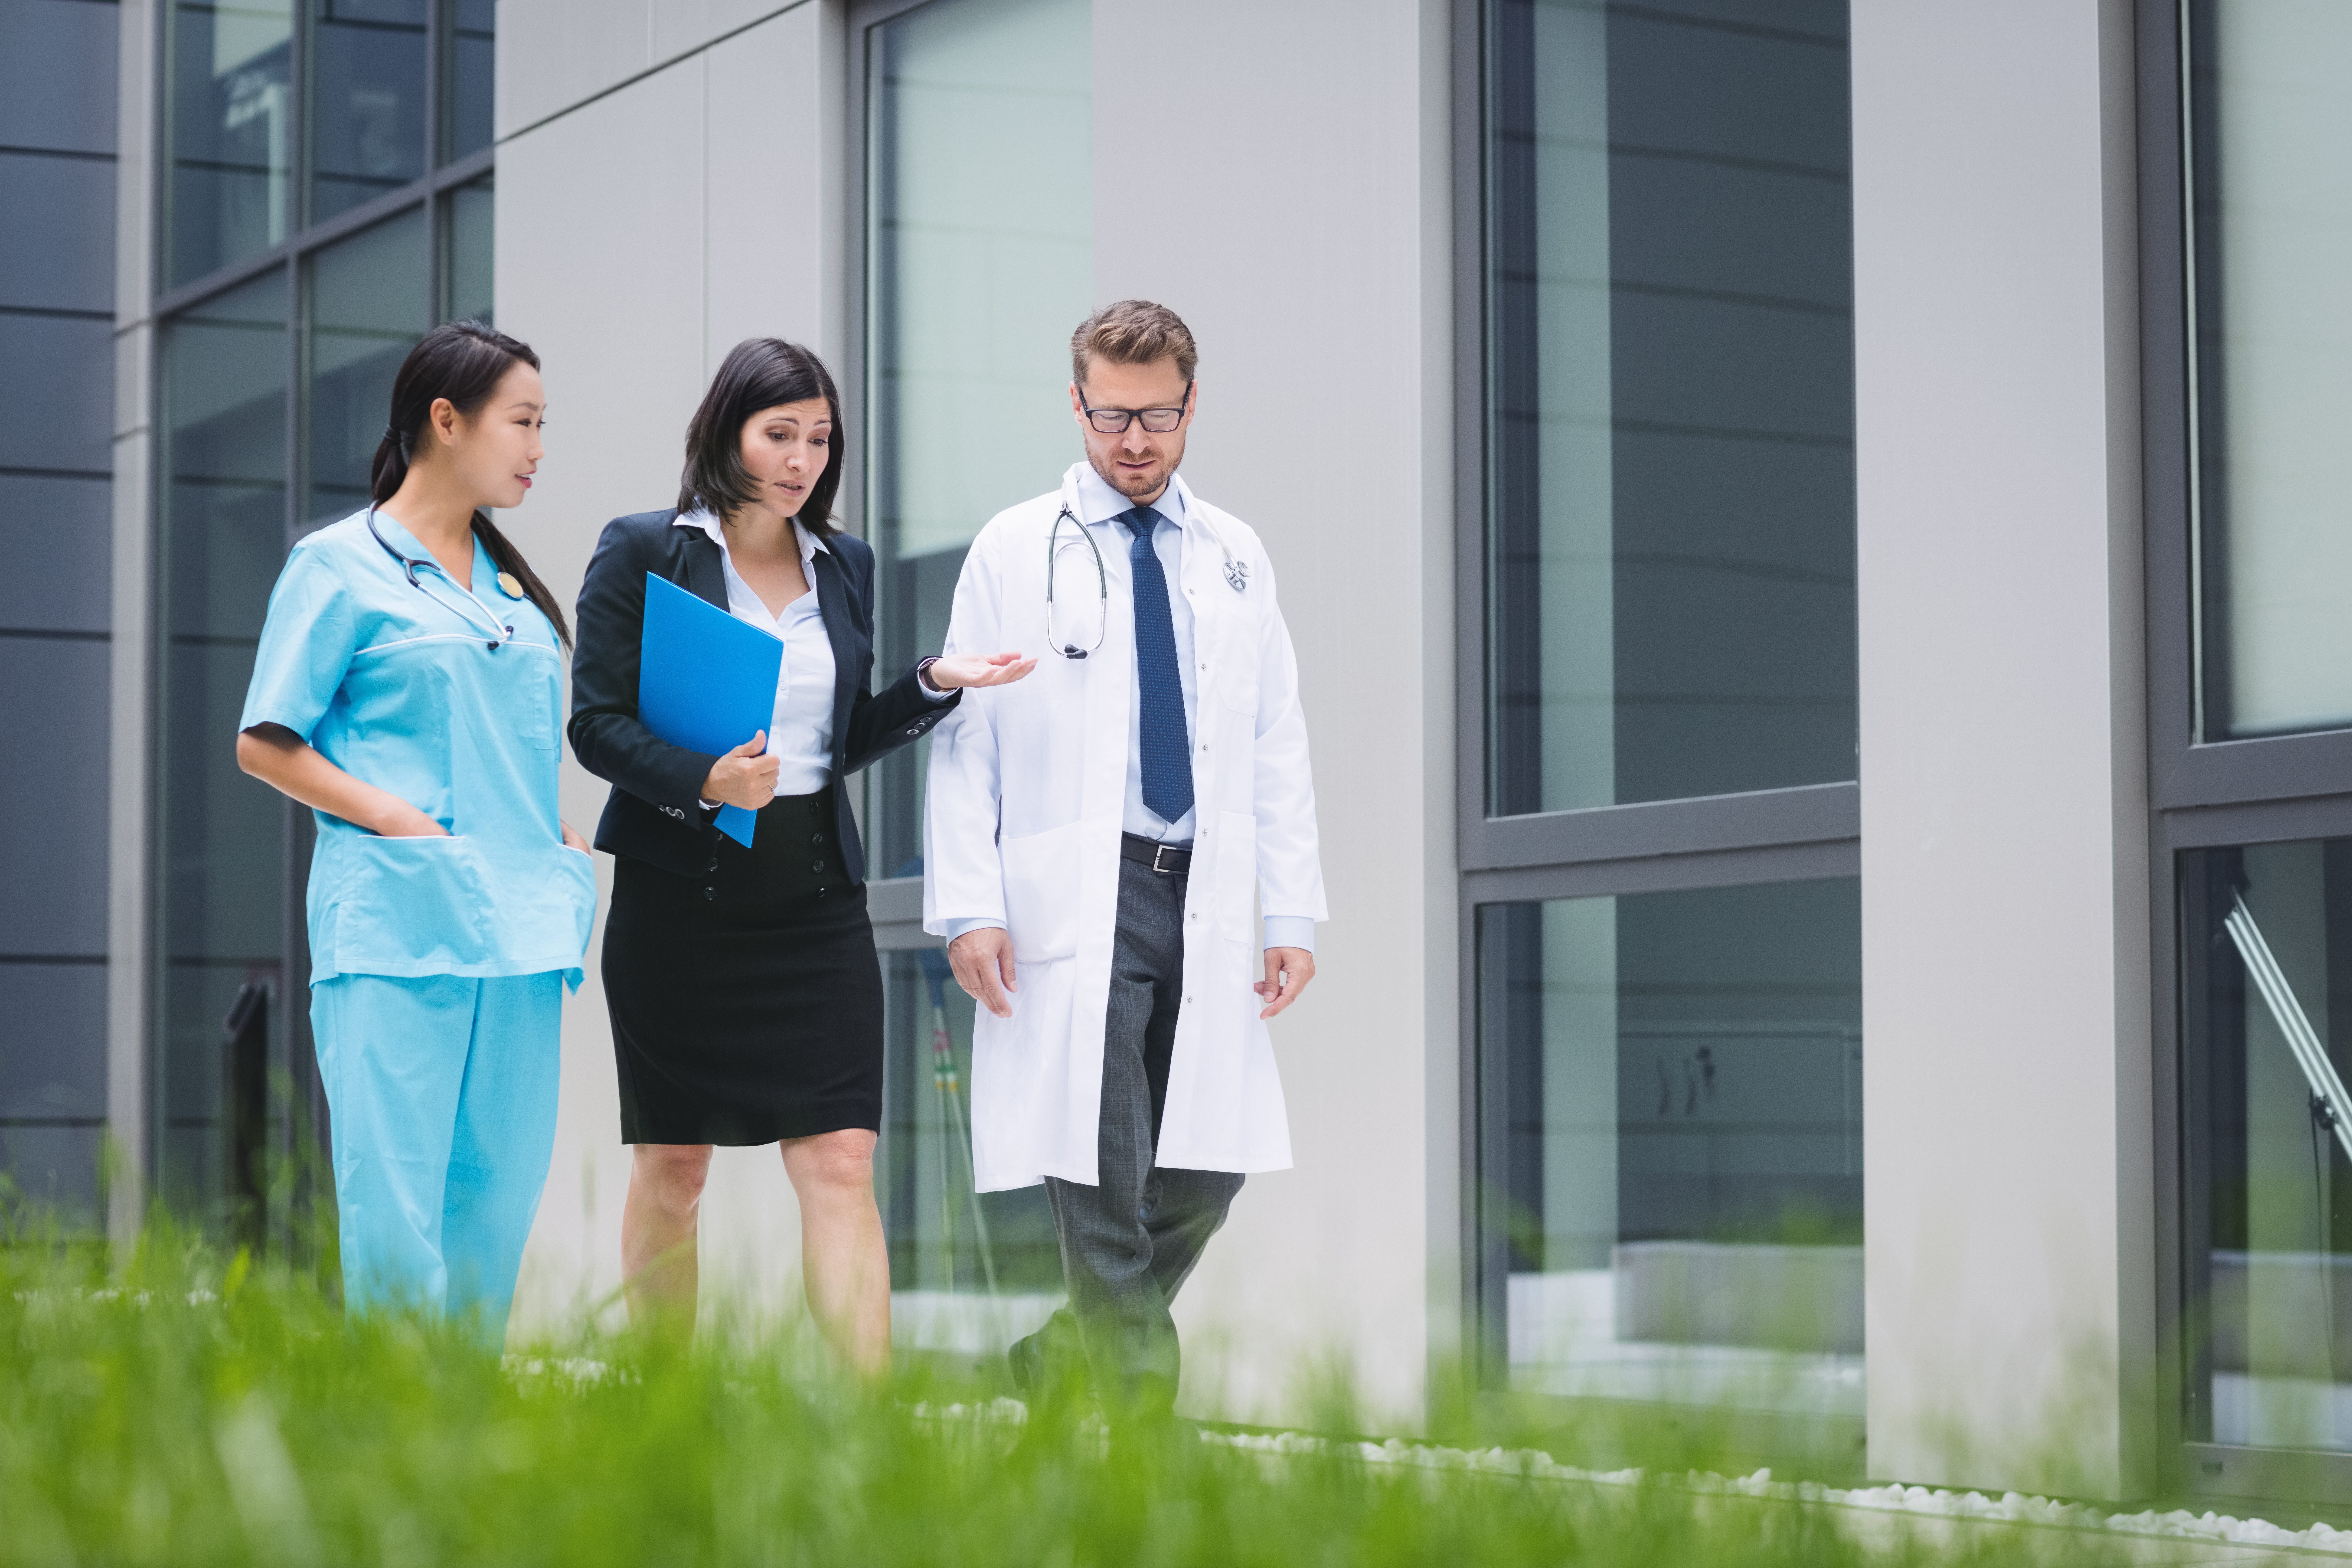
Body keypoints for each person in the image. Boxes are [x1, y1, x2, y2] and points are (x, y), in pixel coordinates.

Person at [569, 338, 1034, 1370]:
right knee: (675, 1169)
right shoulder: (646, 548)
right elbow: (595, 725)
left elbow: (841, 738)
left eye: (819, 439)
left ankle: (865, 1436)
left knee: (839, 1161)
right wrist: (704, 777)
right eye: (780, 434)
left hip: (814, 905)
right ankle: (663, 1410)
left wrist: (932, 684)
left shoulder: (846, 562)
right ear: (727, 429)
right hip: (679, 904)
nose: (802, 459)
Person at [924, 300, 1326, 1432]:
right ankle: (1144, 1417)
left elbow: (1275, 740)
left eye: (1155, 416)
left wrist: (1289, 907)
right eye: (1111, 416)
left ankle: (1063, 1353)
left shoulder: (1237, 556)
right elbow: (968, 739)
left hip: (1200, 884)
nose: (1133, 440)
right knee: (1099, 1172)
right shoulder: (1015, 545)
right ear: (1077, 404)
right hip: (1077, 888)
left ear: (1192, 405)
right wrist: (971, 906)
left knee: (1206, 1167)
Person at [236, 321, 596, 1343]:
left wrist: (556, 836)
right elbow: (266, 744)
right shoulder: (341, 566)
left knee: (497, 1201)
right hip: (398, 926)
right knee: (397, 1212)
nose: (537, 448)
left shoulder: (518, 591)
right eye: (522, 423)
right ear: (447, 421)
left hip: (520, 932)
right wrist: (396, 818)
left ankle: (462, 1448)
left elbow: (502, 749)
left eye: (542, 425)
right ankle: (393, 1443)